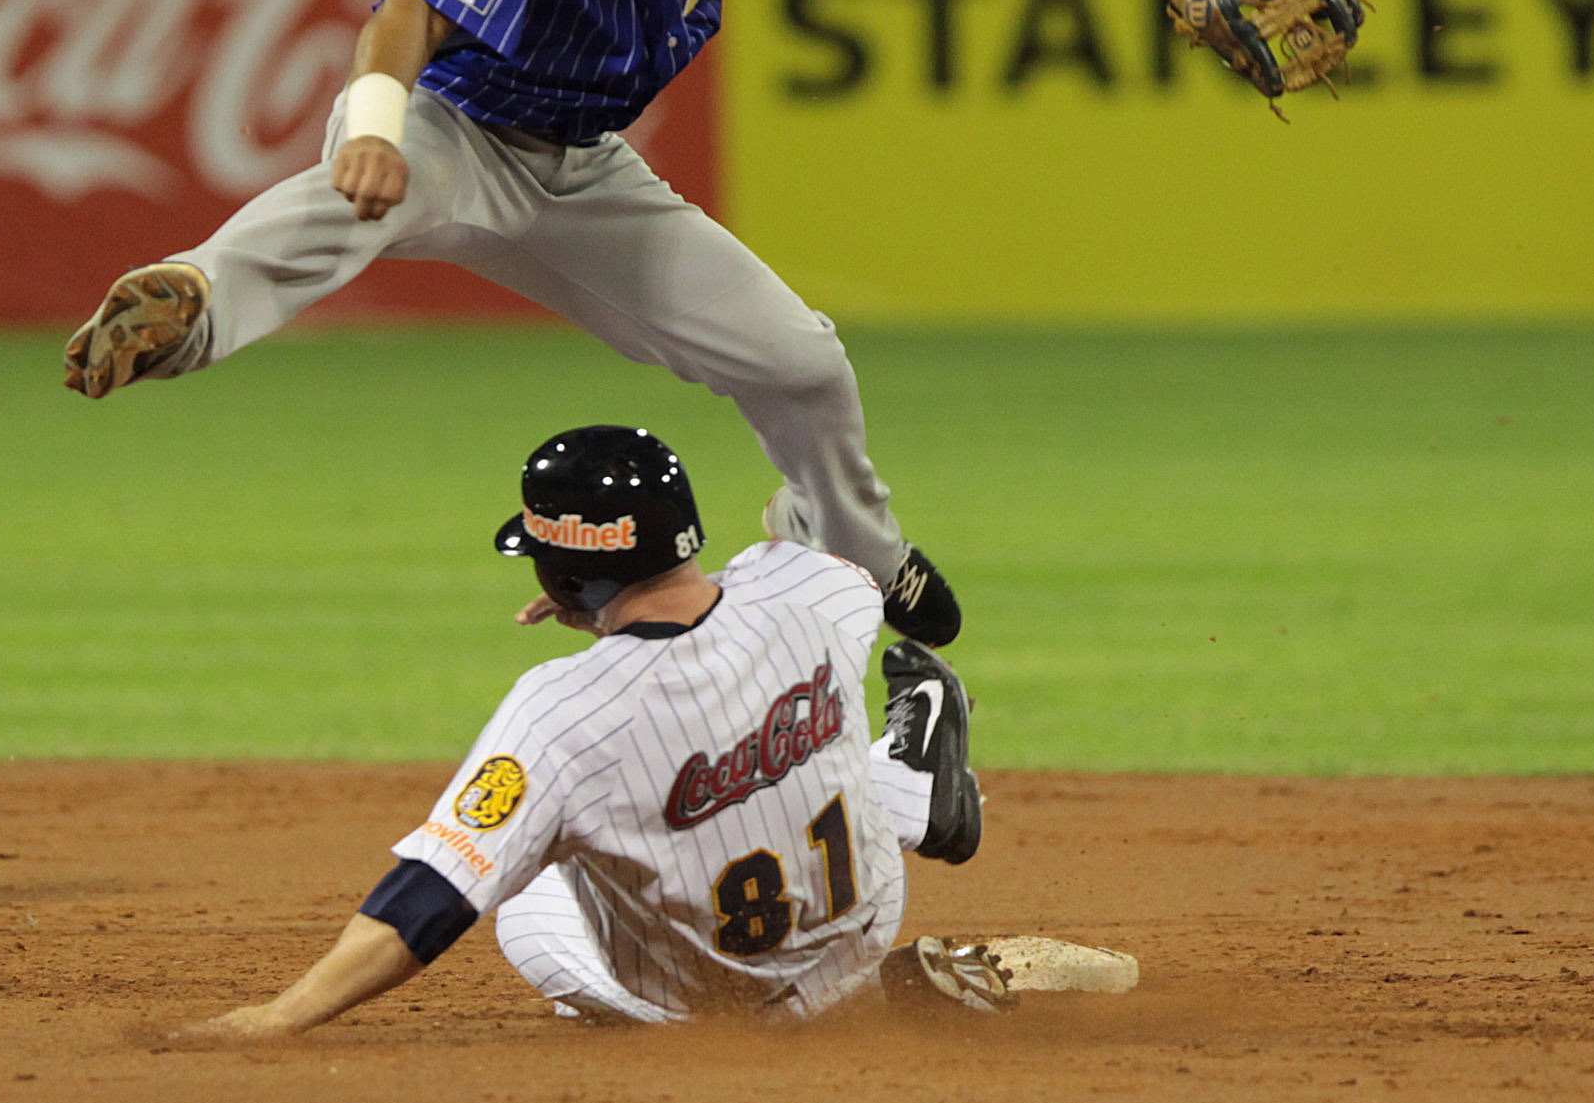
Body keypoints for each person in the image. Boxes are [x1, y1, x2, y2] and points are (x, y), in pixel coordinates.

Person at [66, 0, 1323, 649]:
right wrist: (381, 127)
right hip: (451, 121)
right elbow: (406, 13)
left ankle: (861, 553)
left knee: (799, 360)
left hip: (585, 169)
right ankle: (189, 307)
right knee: (338, 202)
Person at [199, 424, 1002, 1037]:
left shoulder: (561, 711)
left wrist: (283, 1014)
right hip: (866, 926)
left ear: (564, 571)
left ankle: (904, 792)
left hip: (717, 1012)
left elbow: (433, 895)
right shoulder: (813, 588)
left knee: (521, 886)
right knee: (805, 769)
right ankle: (908, 779)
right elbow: (921, 610)